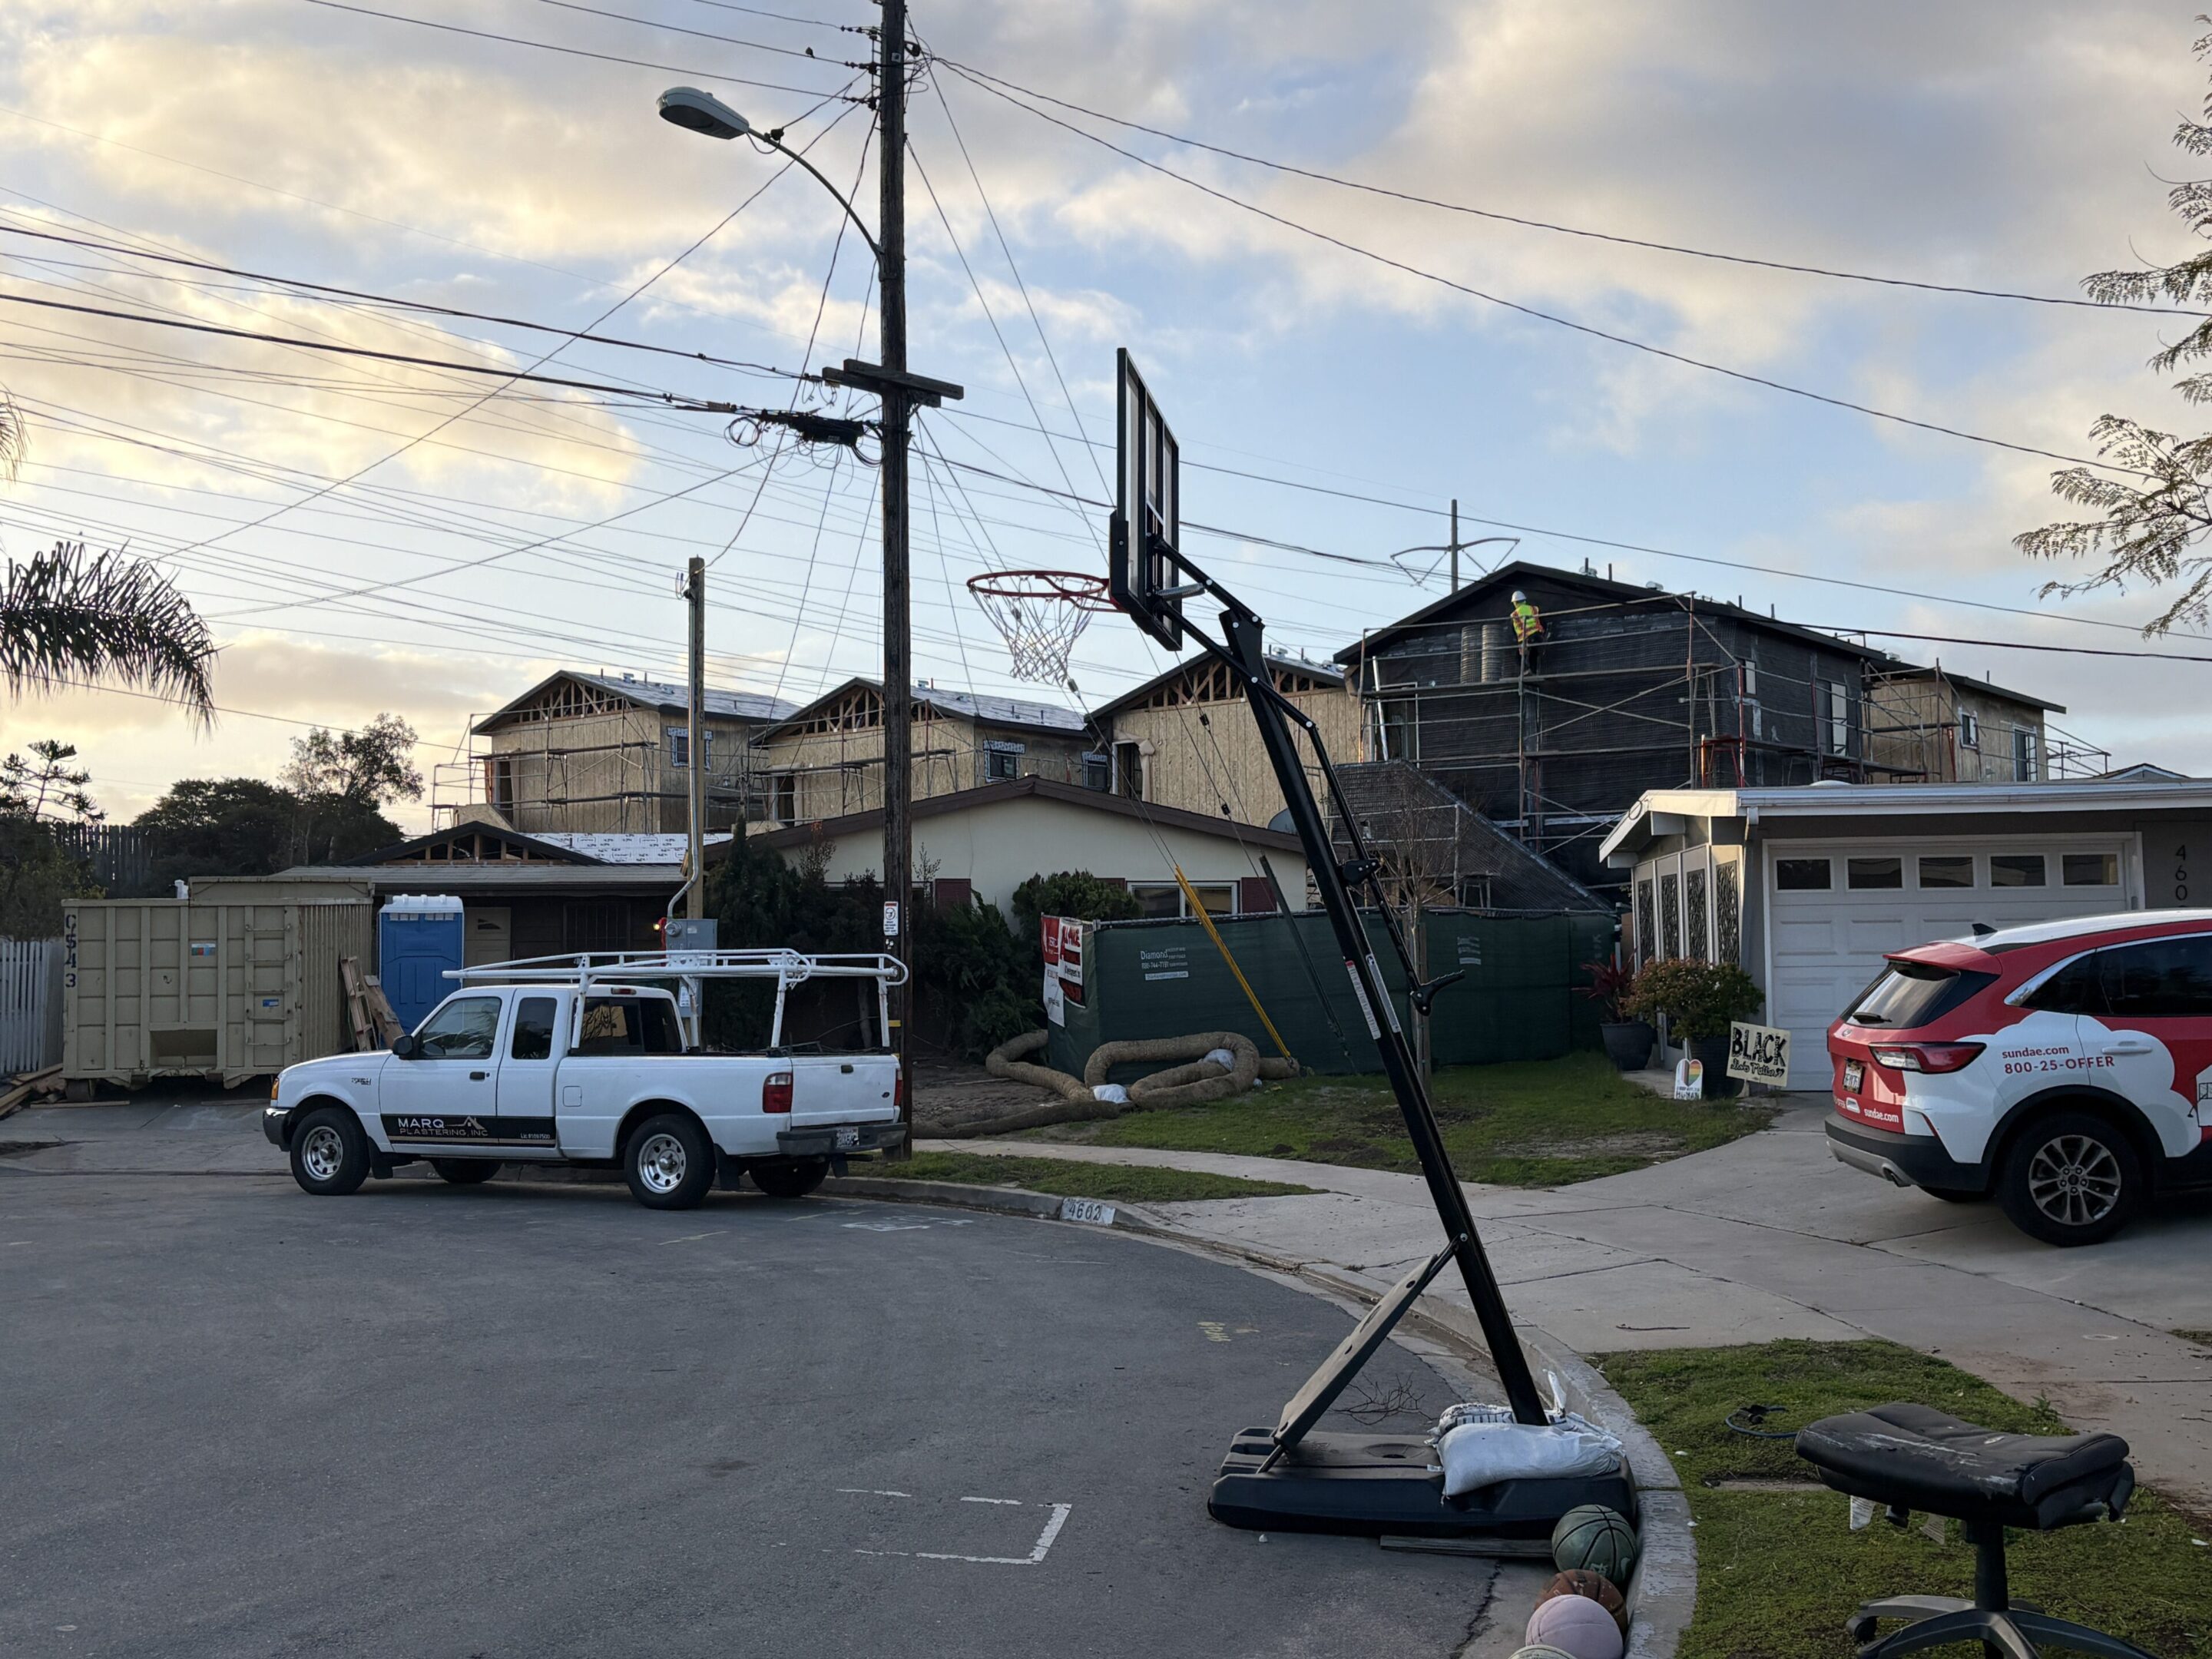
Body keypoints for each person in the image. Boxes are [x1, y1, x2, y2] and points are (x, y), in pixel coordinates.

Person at [1510, 590, 1545, 674]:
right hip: (1537, 637)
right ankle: (1532, 672)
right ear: (1524, 601)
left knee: (1519, 657)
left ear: (1515, 603)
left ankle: (1526, 671)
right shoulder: (1534, 609)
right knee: (1534, 654)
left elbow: (1514, 630)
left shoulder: (1514, 615)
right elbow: (1543, 622)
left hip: (1525, 639)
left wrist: (1519, 642)